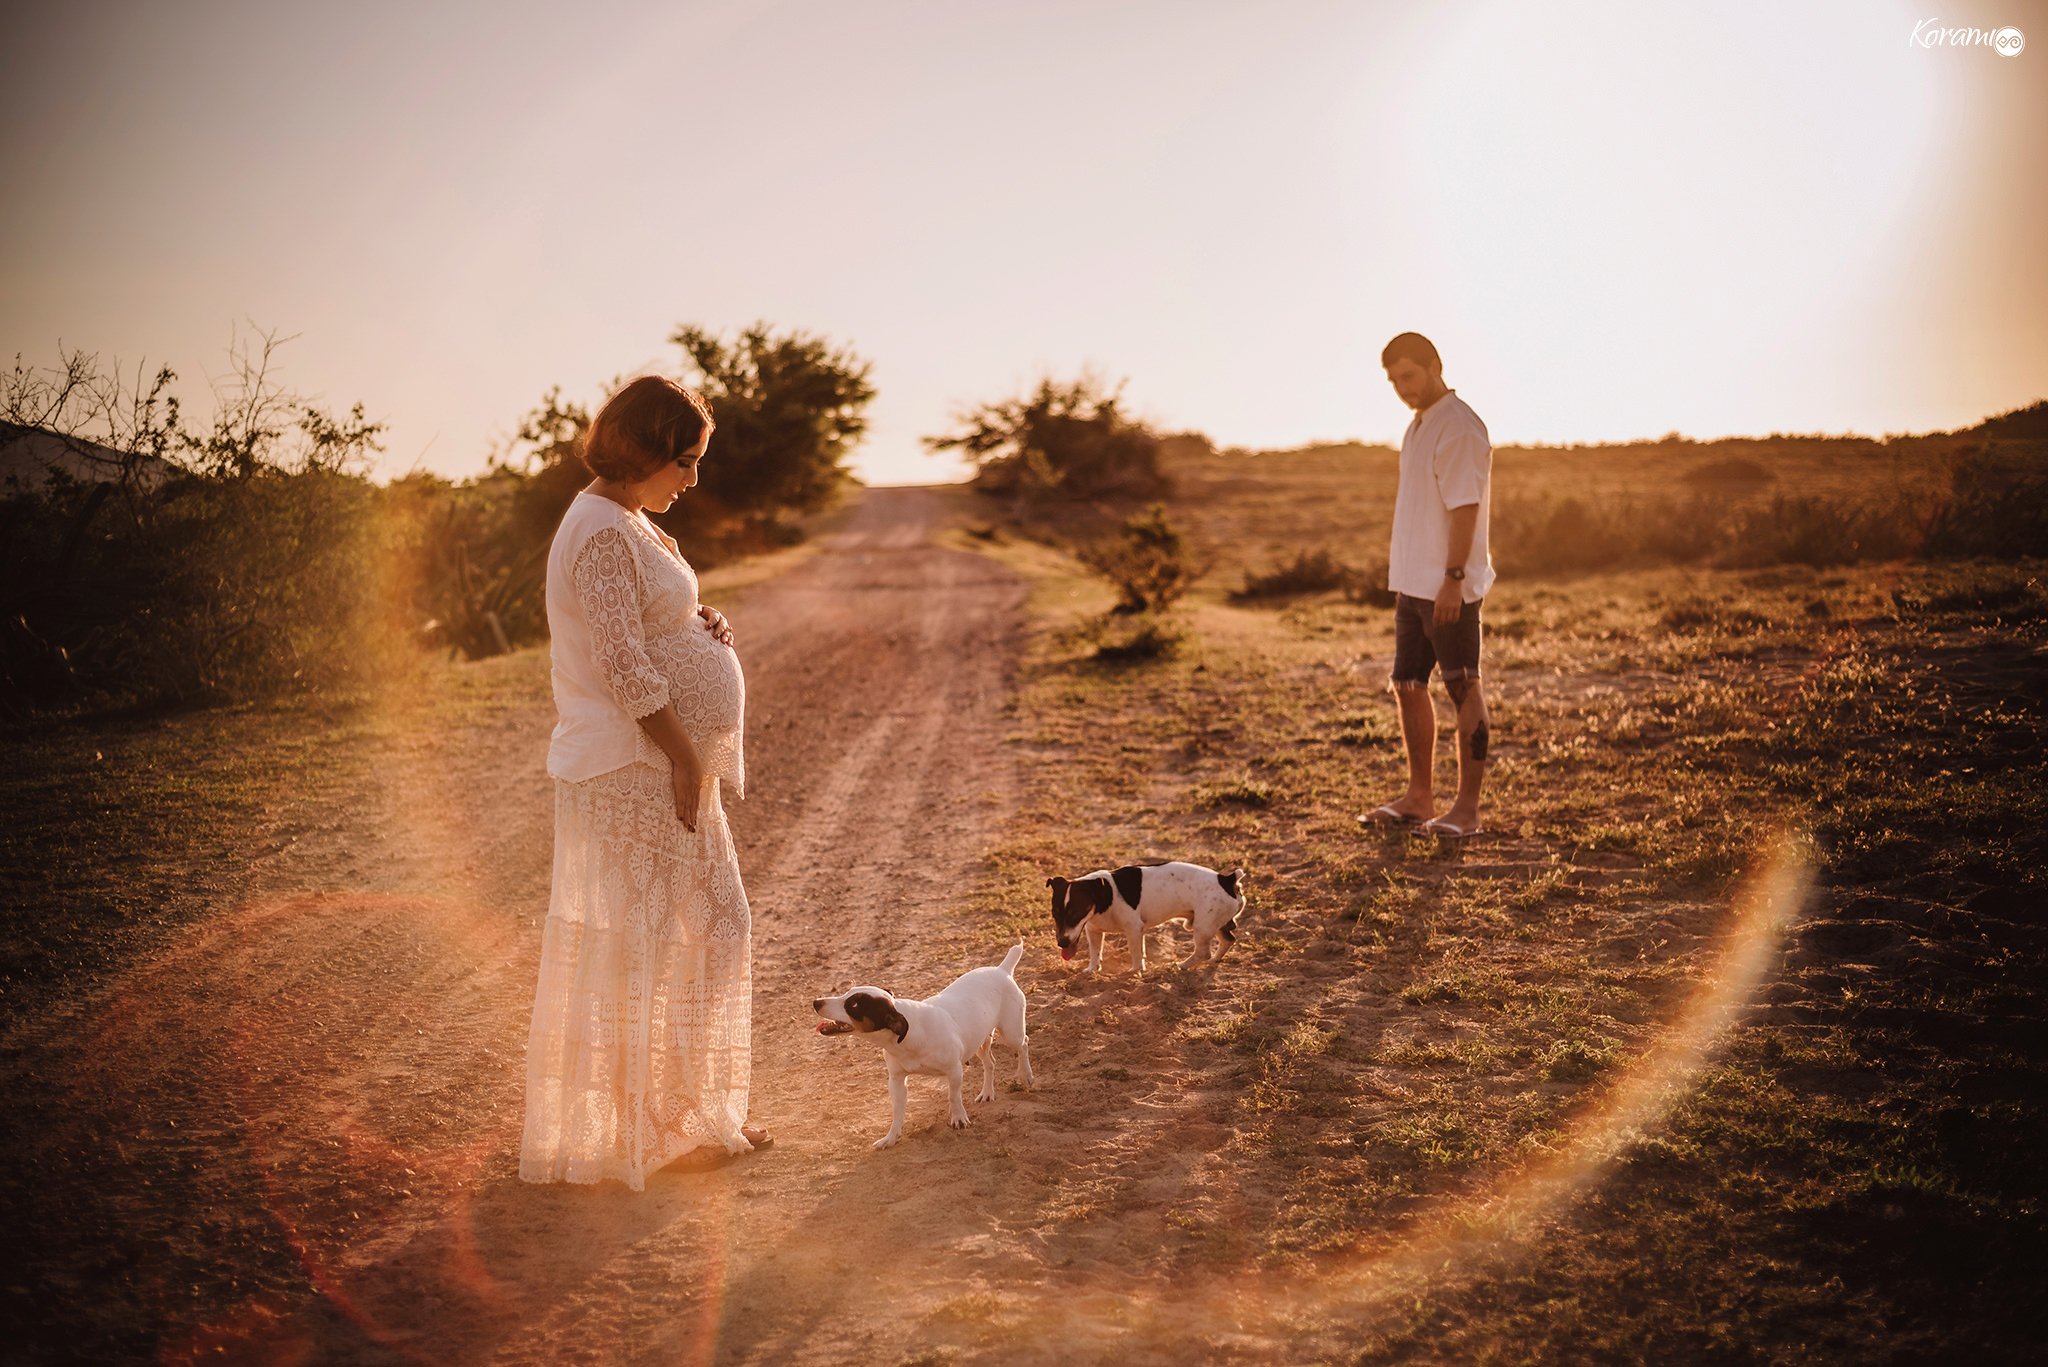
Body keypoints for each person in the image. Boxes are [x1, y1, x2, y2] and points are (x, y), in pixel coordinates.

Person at [521, 375, 768, 1188]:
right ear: (645, 447)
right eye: (685, 460)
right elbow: (621, 664)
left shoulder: (626, 521)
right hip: (633, 765)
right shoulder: (597, 528)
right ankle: (652, 1127)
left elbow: (646, 626)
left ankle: (689, 1113)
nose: (693, 480)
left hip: (655, 760)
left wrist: (704, 626)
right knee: (652, 947)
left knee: (706, 931)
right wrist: (687, 757)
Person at [1362, 332, 1494, 840]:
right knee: (1408, 686)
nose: (1402, 388)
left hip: (1447, 587)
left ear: (1435, 365)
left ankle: (1467, 811)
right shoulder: (1418, 425)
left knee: (1463, 686)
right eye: (1394, 381)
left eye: (1410, 376)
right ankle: (1419, 798)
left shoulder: (1458, 427)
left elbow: (1465, 508)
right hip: (1412, 586)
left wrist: (1454, 580)